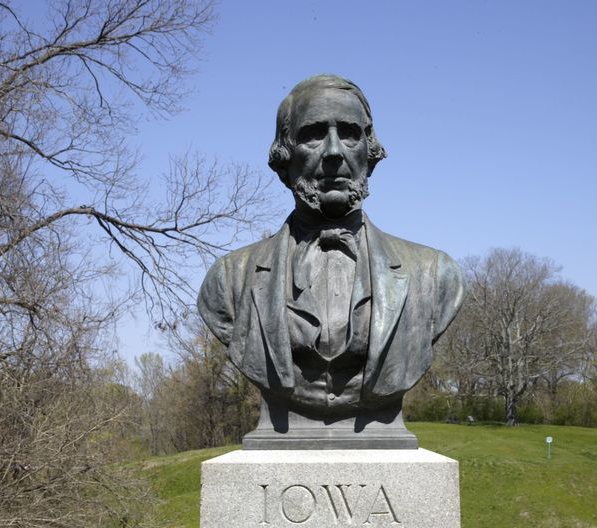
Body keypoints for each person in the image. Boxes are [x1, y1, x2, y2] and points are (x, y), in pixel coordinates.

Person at [198, 75, 465, 447]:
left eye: (350, 134)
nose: (335, 151)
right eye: (313, 135)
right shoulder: (229, 279)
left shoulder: (435, 274)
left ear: (369, 153)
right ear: (284, 158)